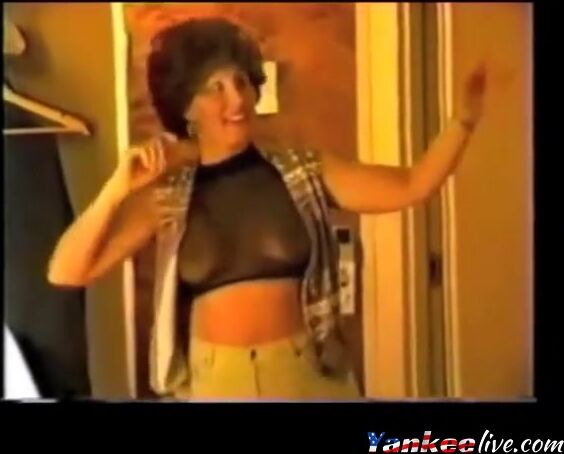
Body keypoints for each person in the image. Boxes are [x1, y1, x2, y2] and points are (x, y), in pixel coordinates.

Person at [47, 17, 486, 401]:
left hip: (305, 375)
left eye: (241, 82)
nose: (236, 99)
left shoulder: (305, 171)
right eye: (215, 88)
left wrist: (463, 121)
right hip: (214, 382)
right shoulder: (169, 195)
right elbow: (66, 271)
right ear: (186, 108)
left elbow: (413, 184)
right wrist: (116, 190)